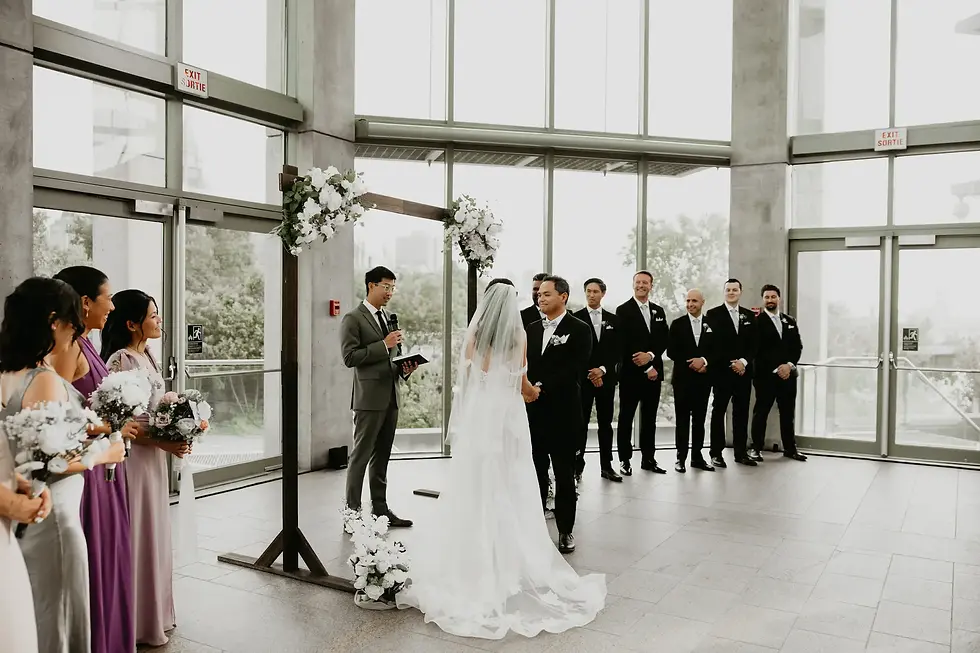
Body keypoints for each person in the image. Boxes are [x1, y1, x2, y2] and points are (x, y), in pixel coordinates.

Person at [396, 280, 605, 639]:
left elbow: (471, 372)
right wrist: (532, 392)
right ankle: (512, 558)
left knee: (476, 480)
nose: (536, 299)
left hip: (481, 415)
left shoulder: (474, 338)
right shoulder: (519, 336)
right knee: (512, 478)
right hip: (508, 415)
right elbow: (520, 381)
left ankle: (470, 557)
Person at [0, 277, 125, 653]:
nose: (77, 334)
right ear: (55, 322)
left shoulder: (8, 373)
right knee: (58, 617)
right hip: (53, 515)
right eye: (74, 324)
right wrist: (102, 453)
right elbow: (45, 461)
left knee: (33, 614)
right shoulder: (44, 379)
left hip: (22, 515)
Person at [52, 265, 137, 653]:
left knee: (113, 552)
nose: (113, 306)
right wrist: (108, 426)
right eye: (109, 298)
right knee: (97, 555)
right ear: (85, 302)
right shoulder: (68, 349)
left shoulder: (87, 343)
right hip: (89, 469)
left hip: (107, 463)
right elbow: (56, 417)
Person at [102, 290, 190, 646]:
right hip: (134, 459)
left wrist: (182, 425)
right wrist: (163, 440)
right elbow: (122, 421)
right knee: (139, 532)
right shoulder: (120, 360)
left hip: (153, 459)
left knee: (155, 532)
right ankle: (135, 621)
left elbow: (155, 410)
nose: (159, 320)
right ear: (131, 323)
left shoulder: (148, 354)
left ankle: (154, 614)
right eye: (153, 315)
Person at [340, 266, 418, 527]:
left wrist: (405, 368)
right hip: (369, 399)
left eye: (393, 287)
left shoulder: (387, 318)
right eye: (386, 286)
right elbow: (349, 357)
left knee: (382, 457)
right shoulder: (353, 318)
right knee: (360, 456)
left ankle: (381, 511)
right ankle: (352, 515)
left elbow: (393, 358)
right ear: (371, 285)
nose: (390, 292)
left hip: (391, 396)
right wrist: (383, 344)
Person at [524, 276, 592, 553]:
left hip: (564, 412)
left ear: (563, 297)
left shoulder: (580, 329)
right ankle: (536, 528)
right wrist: (528, 388)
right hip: (533, 411)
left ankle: (565, 530)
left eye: (547, 294)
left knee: (564, 475)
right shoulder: (531, 328)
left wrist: (541, 387)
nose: (540, 298)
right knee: (536, 471)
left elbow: (575, 368)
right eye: (539, 294)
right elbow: (525, 364)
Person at [614, 271, 669, 476]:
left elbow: (663, 338)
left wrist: (651, 356)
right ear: (633, 284)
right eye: (638, 282)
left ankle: (648, 459)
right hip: (631, 374)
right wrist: (646, 366)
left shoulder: (658, 311)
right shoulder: (623, 310)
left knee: (649, 419)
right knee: (626, 417)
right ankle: (625, 460)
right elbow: (624, 343)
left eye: (645, 282)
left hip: (654, 374)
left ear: (651, 286)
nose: (641, 285)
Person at [704, 278, 758, 468]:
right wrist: (732, 363)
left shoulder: (749, 316)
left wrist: (743, 362)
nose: (731, 293)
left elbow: (754, 344)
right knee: (718, 412)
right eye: (728, 290)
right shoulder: (713, 314)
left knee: (741, 413)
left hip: (743, 373)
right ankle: (716, 453)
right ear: (724, 292)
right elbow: (713, 344)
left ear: (740, 292)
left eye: (735, 290)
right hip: (722, 372)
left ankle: (741, 453)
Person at [750, 284, 807, 462]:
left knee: (788, 414)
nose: (770, 300)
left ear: (779, 299)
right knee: (761, 413)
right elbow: (756, 350)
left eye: (773, 297)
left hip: (788, 376)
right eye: (767, 297)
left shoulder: (790, 321)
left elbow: (797, 347)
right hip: (765, 377)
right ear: (763, 300)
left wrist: (788, 365)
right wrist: (777, 368)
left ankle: (790, 449)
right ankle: (756, 448)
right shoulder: (757, 322)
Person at [572, 278, 621, 482]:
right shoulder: (575, 318)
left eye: (595, 291)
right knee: (580, 424)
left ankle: (606, 466)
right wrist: (590, 373)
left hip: (606, 380)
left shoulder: (614, 320)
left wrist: (602, 370)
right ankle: (577, 466)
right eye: (588, 291)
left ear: (603, 294)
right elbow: (575, 353)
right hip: (583, 382)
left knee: (605, 424)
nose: (591, 295)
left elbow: (618, 350)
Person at [667, 289, 715, 473]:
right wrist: (692, 362)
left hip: (704, 379)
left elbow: (718, 349)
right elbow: (672, 351)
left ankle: (697, 457)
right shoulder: (677, 324)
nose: (690, 304)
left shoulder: (712, 324)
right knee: (682, 420)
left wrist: (704, 361)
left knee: (699, 420)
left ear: (702, 302)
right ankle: (680, 458)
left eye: (694, 301)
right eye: (688, 301)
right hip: (682, 380)